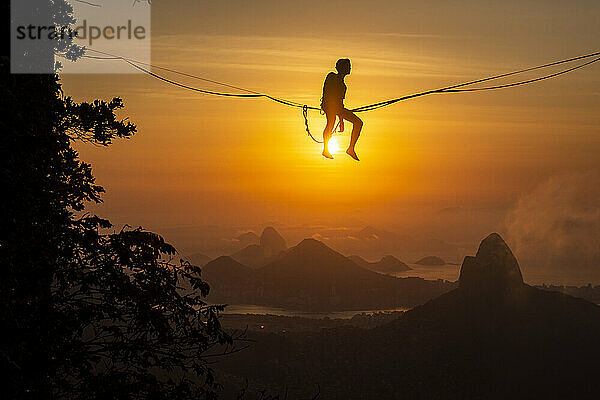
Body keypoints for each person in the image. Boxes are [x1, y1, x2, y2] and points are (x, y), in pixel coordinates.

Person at [320, 58, 363, 161]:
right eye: (348, 66)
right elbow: (327, 92)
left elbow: (340, 102)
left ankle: (351, 148)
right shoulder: (331, 76)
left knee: (358, 123)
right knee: (330, 123)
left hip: (338, 108)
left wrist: (341, 120)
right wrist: (335, 111)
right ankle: (325, 149)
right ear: (342, 68)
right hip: (329, 106)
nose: (350, 68)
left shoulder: (344, 85)